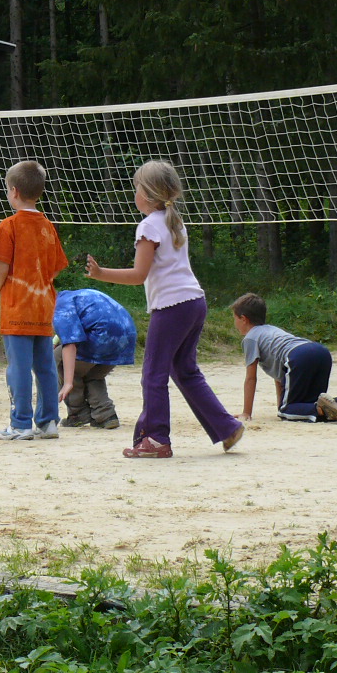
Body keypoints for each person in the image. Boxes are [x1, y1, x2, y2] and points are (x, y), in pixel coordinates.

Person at [86, 160, 244, 459]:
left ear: (146, 194)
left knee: (153, 374)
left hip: (173, 306)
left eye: (136, 188)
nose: (134, 193)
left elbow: (138, 275)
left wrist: (100, 273)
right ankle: (226, 427)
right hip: (194, 302)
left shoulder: (149, 226)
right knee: (184, 370)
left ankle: (156, 439)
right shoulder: (174, 220)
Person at [0, 161, 69, 441]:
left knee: (19, 368)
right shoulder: (48, 226)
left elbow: (2, 266)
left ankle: (21, 423)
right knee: (45, 366)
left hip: (17, 307)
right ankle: (48, 422)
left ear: (14, 191)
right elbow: (56, 268)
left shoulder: (8, 226)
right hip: (43, 306)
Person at [229, 293, 337, 424]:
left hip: (298, 356)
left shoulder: (250, 338)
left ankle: (323, 408)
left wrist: (246, 413)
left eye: (234, 318)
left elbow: (251, 378)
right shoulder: (271, 330)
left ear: (243, 319)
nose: (234, 323)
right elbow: (280, 376)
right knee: (310, 404)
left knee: (287, 411)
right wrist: (282, 403)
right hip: (321, 353)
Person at [52, 288, 137, 429]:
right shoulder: (76, 297)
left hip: (102, 337)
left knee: (59, 359)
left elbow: (70, 344)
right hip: (126, 337)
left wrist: (68, 383)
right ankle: (106, 415)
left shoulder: (60, 306)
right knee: (93, 374)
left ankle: (78, 413)